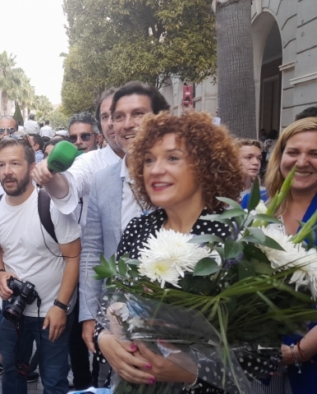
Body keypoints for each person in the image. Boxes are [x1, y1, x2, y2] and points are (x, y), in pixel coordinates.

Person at [97, 111, 247, 393]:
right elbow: (111, 300)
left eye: (172, 158)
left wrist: (192, 371)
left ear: (205, 165)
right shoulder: (139, 227)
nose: (155, 169)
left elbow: (263, 354)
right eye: (149, 160)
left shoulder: (234, 237)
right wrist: (104, 339)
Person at [243, 117, 317, 394]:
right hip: (253, 366)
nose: (302, 162)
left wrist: (297, 352)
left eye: (316, 154)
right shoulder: (251, 204)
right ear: (280, 156)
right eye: (293, 152)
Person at [75, 82, 170, 387]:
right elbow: (92, 249)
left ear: (160, 118)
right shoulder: (102, 180)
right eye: (118, 116)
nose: (127, 124)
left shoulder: (182, 180)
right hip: (117, 321)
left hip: (175, 321)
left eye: (138, 113)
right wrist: (90, 314)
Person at [0, 137, 82, 394]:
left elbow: (74, 256)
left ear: (32, 167)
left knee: (53, 381)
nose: (7, 171)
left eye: (15, 163)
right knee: (11, 375)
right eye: (1, 165)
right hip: (12, 312)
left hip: (51, 313)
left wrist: (61, 307)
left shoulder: (50, 204)